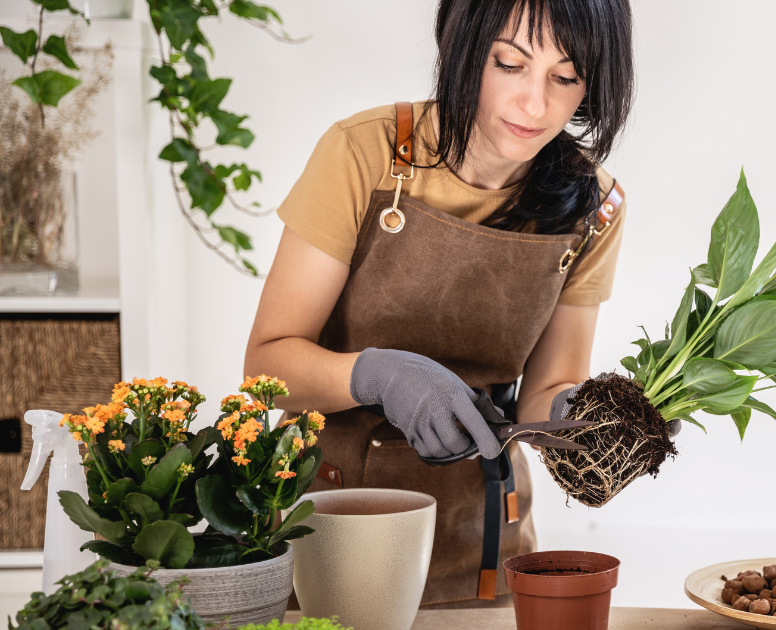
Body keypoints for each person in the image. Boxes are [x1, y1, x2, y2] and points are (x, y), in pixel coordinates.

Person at [243, 0, 634, 610]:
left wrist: (584, 419)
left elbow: (547, 387)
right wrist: (379, 374)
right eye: (509, 64)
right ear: (462, 48)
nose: (536, 104)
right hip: (330, 525)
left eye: (566, 77)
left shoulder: (594, 205)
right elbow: (267, 369)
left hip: (482, 541)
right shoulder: (362, 155)